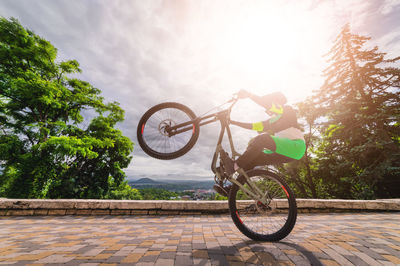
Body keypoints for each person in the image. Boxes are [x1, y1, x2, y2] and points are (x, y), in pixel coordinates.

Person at [216, 89, 306, 195]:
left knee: (262, 139)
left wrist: (249, 95)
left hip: (296, 146)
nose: (268, 111)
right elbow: (255, 126)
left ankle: (235, 166)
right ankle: (234, 187)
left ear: (277, 101)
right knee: (253, 159)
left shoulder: (287, 110)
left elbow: (267, 104)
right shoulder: (273, 120)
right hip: (286, 152)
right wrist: (232, 122)